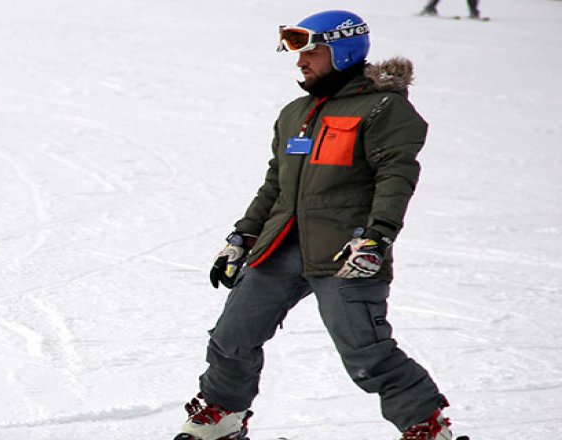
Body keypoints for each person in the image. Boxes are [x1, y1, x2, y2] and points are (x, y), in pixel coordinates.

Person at [175, 10, 456, 440]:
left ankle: (425, 423)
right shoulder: (295, 113)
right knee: (232, 335)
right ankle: (224, 412)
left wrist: (377, 236)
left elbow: (395, 177)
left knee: (364, 350)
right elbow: (276, 185)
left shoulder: (384, 108)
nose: (301, 62)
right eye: (298, 53)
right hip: (280, 246)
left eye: (312, 52)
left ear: (343, 52)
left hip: (346, 250)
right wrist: (243, 236)